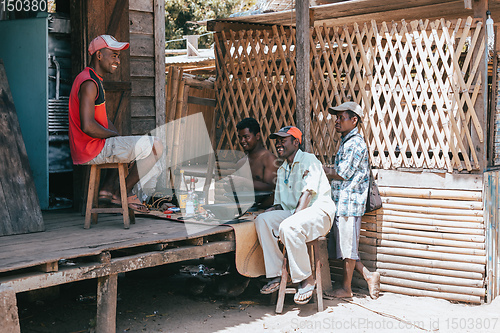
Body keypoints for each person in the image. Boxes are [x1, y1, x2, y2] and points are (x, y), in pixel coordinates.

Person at [68, 35, 163, 213]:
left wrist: (117, 136)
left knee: (126, 143)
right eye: (113, 55)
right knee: (156, 145)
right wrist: (114, 136)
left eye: (118, 56)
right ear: (98, 55)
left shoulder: (92, 78)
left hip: (91, 146)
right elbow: (88, 126)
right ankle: (122, 192)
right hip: (90, 148)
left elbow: (101, 120)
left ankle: (106, 190)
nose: (117, 61)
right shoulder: (89, 83)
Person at [255, 126, 335, 305]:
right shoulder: (283, 168)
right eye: (277, 141)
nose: (278, 144)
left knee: (289, 226)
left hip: (318, 212)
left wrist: (293, 218)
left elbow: (307, 194)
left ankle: (307, 279)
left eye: (283, 140)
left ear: (296, 142)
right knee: (262, 221)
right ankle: (277, 274)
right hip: (295, 214)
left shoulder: (308, 159)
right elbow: (278, 205)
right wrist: (266, 212)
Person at [323, 102, 380, 299]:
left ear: (354, 120)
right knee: (346, 247)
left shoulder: (355, 144)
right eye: (336, 117)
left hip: (349, 204)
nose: (337, 121)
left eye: (341, 117)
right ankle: (369, 276)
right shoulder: (347, 142)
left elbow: (341, 173)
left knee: (347, 249)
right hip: (343, 203)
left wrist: (320, 168)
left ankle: (346, 289)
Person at [228, 117, 278, 208]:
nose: (242, 141)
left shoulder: (269, 159)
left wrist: (244, 182)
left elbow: (271, 187)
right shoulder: (241, 163)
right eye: (240, 137)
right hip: (246, 209)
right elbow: (239, 193)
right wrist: (230, 186)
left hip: (266, 210)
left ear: (257, 136)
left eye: (246, 137)